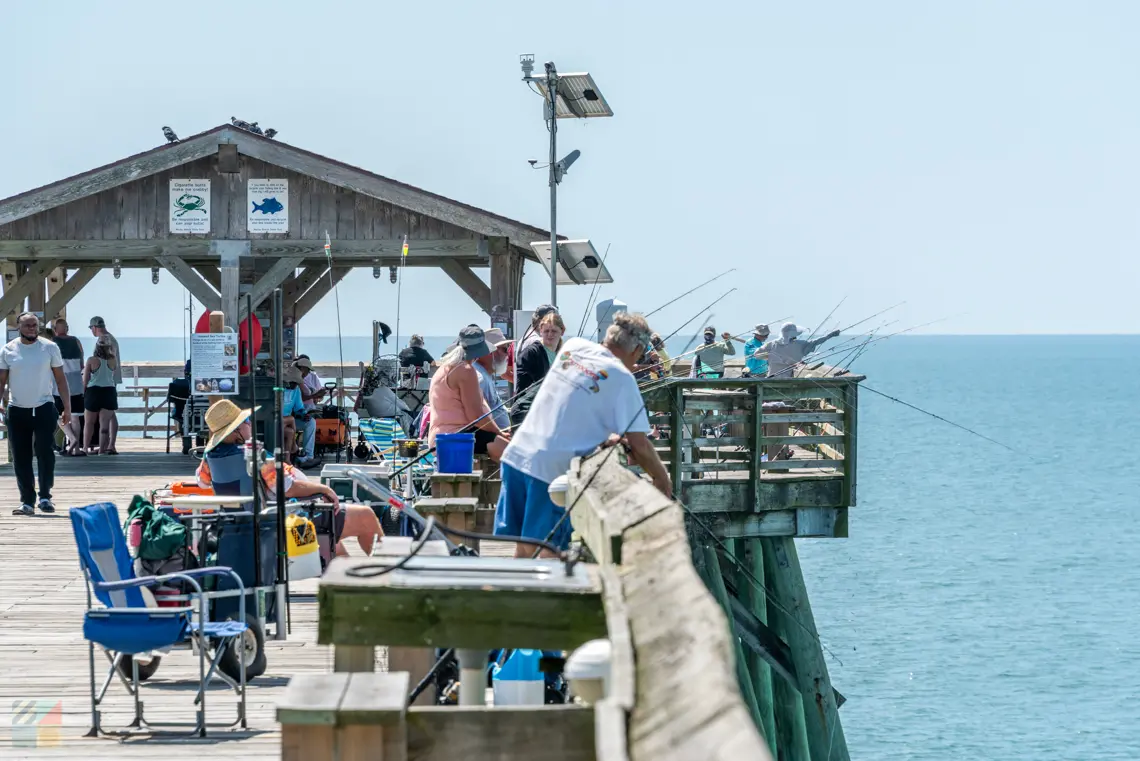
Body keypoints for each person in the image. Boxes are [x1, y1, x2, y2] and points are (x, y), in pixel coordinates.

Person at [494, 312, 672, 558]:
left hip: (517, 455)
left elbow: (573, 404)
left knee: (524, 550)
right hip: (550, 473)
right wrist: (662, 479)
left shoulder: (573, 347)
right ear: (637, 349)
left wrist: (601, 438)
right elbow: (639, 445)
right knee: (549, 554)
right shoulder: (623, 378)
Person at [196, 399, 382, 557]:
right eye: (246, 420)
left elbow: (202, 482)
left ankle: (344, 586)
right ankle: (392, 577)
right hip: (281, 522)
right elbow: (286, 487)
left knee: (337, 548)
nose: (250, 423)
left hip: (239, 525)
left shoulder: (210, 457)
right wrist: (323, 489)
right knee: (365, 516)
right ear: (235, 430)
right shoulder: (255, 455)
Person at [0, 313, 72, 515]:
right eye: (28, 325)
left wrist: (67, 407)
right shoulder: (8, 350)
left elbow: (60, 379)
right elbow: (1, 381)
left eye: (35, 325)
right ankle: (27, 501)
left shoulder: (49, 348)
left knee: (45, 452)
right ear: (18, 327)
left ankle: (45, 496)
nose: (32, 328)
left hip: (43, 407)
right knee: (20, 457)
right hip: (17, 409)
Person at [427, 326, 510, 461]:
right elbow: (476, 416)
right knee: (514, 456)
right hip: (459, 436)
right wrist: (499, 432)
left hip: (442, 437)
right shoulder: (466, 370)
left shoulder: (446, 367)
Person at [512, 311, 566, 425]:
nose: (550, 334)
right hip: (527, 414)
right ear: (540, 331)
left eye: (554, 331)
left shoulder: (561, 355)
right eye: (546, 331)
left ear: (562, 331)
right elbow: (524, 388)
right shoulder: (531, 353)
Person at [51, 318, 86, 455]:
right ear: (67, 328)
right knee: (76, 417)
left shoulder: (53, 343)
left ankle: (71, 438)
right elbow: (82, 364)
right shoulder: (77, 341)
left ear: (55, 329)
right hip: (76, 384)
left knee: (59, 416)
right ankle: (76, 448)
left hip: (60, 385)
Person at [88, 316, 121, 453]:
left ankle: (110, 444)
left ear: (95, 327)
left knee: (110, 414)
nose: (92, 331)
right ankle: (107, 444)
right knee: (110, 414)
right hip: (109, 379)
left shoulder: (106, 340)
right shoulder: (109, 338)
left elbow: (108, 361)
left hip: (107, 380)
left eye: (91, 328)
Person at [760, 323, 840, 379]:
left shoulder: (771, 344)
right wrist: (830, 335)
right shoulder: (799, 344)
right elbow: (816, 341)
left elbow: (757, 354)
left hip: (771, 378)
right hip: (787, 380)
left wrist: (771, 357)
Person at [82, 336, 119, 455]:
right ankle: (102, 450)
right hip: (109, 391)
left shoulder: (91, 360)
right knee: (104, 425)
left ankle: (85, 448)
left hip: (93, 391)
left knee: (89, 423)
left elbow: (85, 379)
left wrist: (84, 393)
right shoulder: (113, 360)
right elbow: (111, 375)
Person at [473, 328, 512, 431]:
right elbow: (478, 415)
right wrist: (500, 435)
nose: (507, 354)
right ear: (490, 352)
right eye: (505, 349)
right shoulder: (479, 377)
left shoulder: (485, 375)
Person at [295, 356, 325, 461]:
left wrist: (303, 413)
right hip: (290, 416)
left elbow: (298, 403)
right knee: (311, 422)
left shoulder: (304, 380)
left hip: (303, 411)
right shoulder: (295, 382)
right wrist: (314, 395)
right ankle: (306, 454)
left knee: (311, 421)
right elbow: (300, 398)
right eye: (307, 370)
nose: (308, 373)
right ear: (303, 369)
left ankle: (308, 454)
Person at [280, 364, 309, 464]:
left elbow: (299, 408)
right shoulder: (280, 389)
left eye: (297, 383)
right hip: (275, 419)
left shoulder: (296, 390)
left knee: (290, 432)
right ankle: (295, 449)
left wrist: (303, 414)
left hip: (285, 423)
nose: (295, 385)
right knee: (291, 419)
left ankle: (287, 460)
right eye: (293, 382)